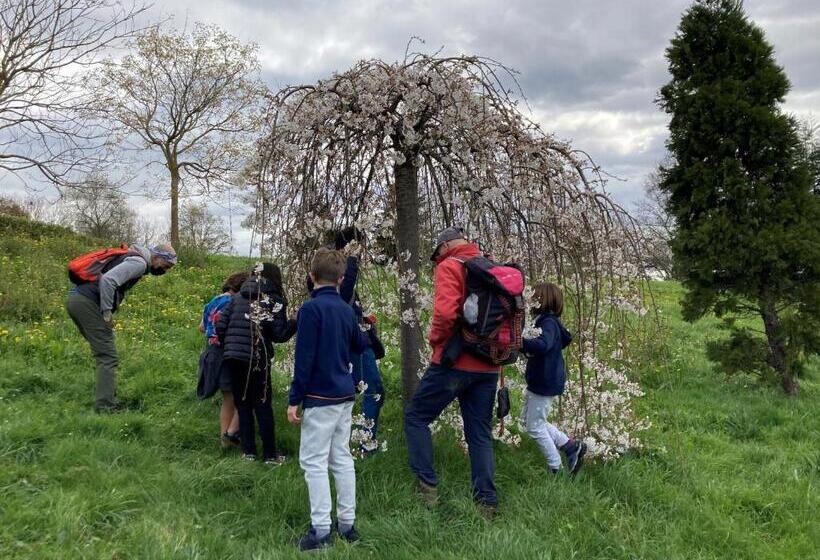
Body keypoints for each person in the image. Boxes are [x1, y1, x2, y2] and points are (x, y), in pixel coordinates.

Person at [403, 226, 501, 513]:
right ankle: (487, 503)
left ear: (444, 247)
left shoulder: (450, 265)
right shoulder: (489, 265)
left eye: (436, 255)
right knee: (479, 433)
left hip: (454, 363)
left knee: (416, 416)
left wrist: (436, 340)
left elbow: (446, 313)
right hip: (488, 365)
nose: (436, 260)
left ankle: (427, 491)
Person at [287, 248, 370, 551]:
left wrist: (295, 399)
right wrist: (368, 327)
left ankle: (321, 531)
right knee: (341, 459)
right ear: (341, 279)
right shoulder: (347, 310)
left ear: (311, 276)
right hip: (344, 394)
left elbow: (304, 357)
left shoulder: (311, 310)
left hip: (320, 396)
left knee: (314, 461)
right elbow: (360, 345)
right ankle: (347, 526)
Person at [66, 243, 177, 413]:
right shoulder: (139, 263)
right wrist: (107, 313)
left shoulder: (132, 257)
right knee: (108, 356)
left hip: (77, 300)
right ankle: (106, 407)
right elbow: (108, 280)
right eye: (166, 265)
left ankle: (107, 395)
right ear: (156, 257)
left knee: (104, 352)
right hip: (87, 303)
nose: (165, 270)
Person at [216, 263, 296, 464]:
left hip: (233, 357)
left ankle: (249, 452)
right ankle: (270, 454)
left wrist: (231, 344)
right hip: (257, 357)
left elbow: (220, 325)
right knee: (262, 405)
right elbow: (279, 334)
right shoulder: (273, 300)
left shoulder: (237, 297)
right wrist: (296, 321)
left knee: (243, 405)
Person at [521, 282, 586, 474]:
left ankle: (555, 466)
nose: (529, 300)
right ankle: (569, 446)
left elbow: (543, 345)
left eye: (533, 297)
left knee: (534, 427)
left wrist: (520, 342)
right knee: (530, 421)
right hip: (541, 380)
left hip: (545, 381)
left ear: (542, 300)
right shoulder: (544, 321)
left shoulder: (548, 322)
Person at [198, 271, 249, 448]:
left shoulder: (213, 301)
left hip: (212, 351)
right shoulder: (233, 302)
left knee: (228, 398)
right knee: (238, 396)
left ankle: (224, 440)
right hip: (227, 351)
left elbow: (201, 327)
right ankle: (231, 435)